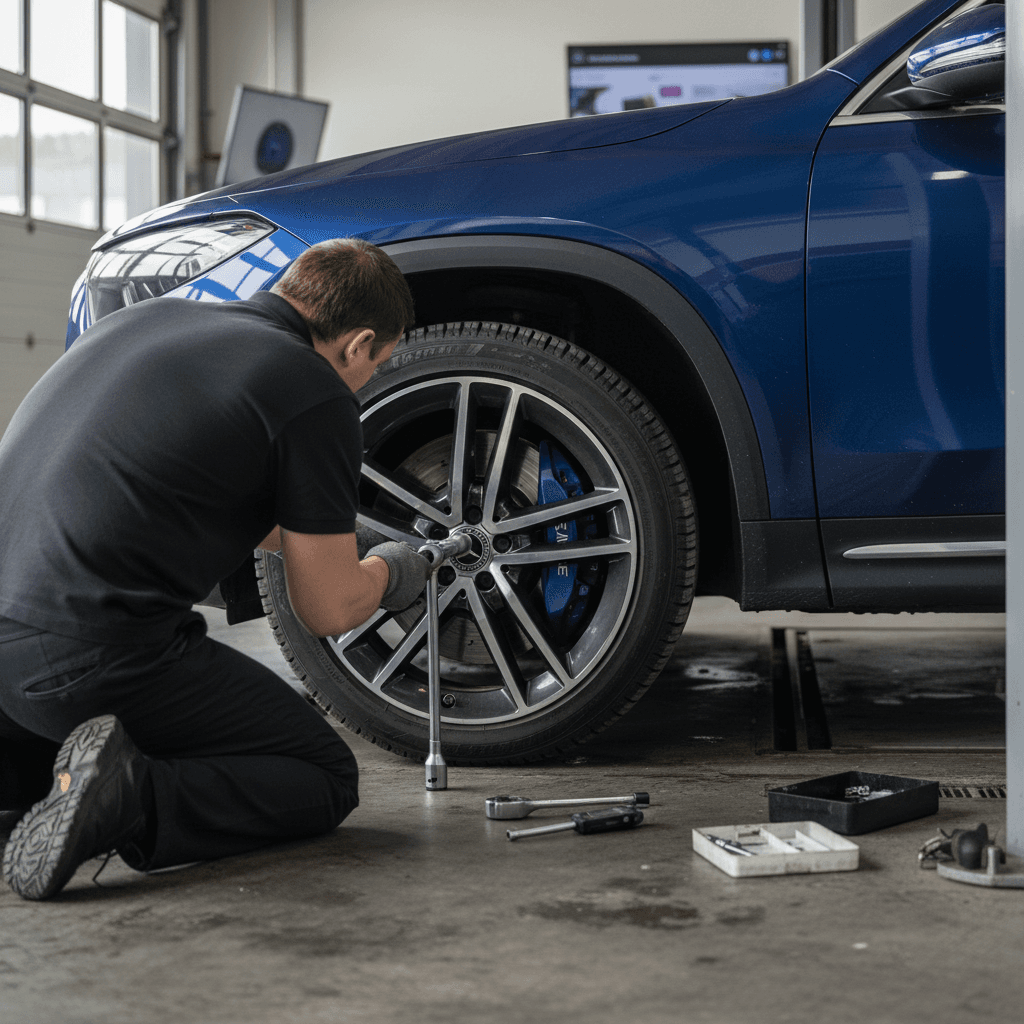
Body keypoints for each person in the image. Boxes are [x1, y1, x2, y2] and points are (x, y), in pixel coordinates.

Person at [0, 237, 431, 900]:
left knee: (43, 747)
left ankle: (27, 791)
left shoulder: (147, 322)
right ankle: (133, 797)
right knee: (318, 774)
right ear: (359, 343)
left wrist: (329, 532)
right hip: (82, 658)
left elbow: (186, 488)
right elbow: (328, 608)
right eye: (378, 363)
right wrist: (391, 568)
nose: (369, 377)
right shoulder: (313, 389)